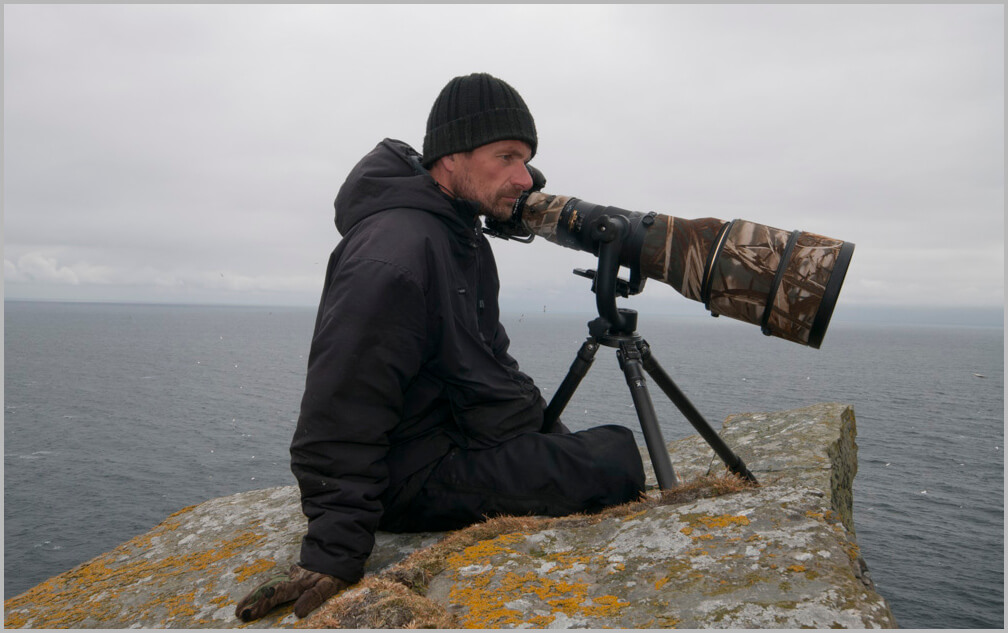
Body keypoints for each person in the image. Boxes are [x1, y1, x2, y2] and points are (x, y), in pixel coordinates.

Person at [234, 72, 645, 622]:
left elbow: (487, 359)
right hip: (409, 476)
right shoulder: (397, 254)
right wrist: (333, 552)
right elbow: (341, 406)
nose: (525, 178)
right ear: (451, 157)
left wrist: (536, 433)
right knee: (614, 459)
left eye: (526, 160)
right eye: (505, 157)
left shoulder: (460, 235)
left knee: (594, 450)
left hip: (449, 437)